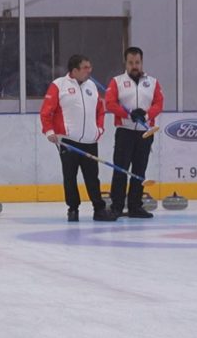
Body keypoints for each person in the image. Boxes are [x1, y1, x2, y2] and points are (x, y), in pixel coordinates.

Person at [40, 54, 114, 222]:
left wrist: (98, 130)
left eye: (90, 67)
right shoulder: (58, 85)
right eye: (85, 68)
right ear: (74, 70)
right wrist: (49, 131)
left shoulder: (92, 87)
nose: (90, 70)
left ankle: (99, 209)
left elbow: (100, 111)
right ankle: (73, 209)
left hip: (90, 140)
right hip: (68, 141)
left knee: (92, 177)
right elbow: (46, 112)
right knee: (70, 177)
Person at [105, 47, 164, 218]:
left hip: (145, 133)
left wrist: (146, 114)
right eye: (131, 63)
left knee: (139, 170)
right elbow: (110, 103)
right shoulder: (116, 81)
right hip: (125, 131)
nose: (134, 66)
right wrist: (129, 114)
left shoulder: (152, 82)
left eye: (137, 62)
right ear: (126, 63)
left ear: (141, 62)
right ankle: (116, 206)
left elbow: (158, 103)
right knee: (121, 169)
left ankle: (135, 206)